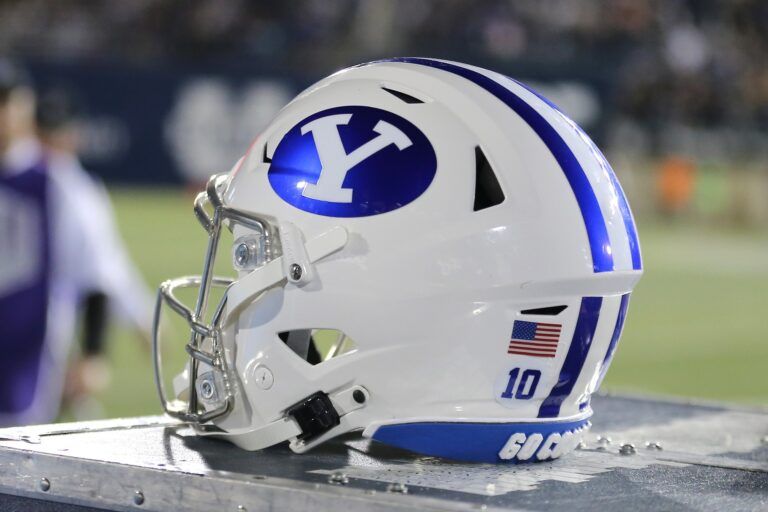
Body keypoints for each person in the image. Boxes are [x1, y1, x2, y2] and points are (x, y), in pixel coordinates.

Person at [0, 61, 152, 426]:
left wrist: (93, 352)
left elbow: (97, 269)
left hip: (25, 353)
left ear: (24, 106)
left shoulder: (56, 182)